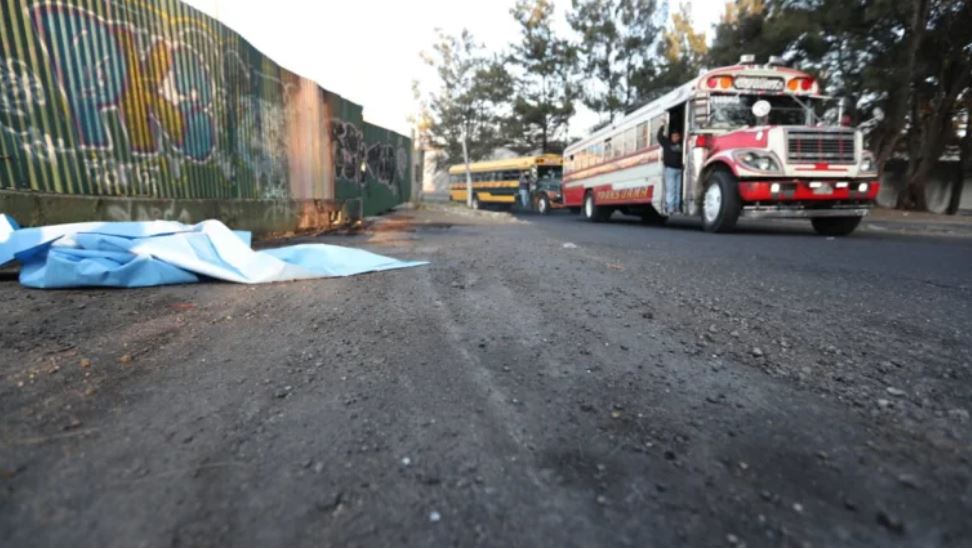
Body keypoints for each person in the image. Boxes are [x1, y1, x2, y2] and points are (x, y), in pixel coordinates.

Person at [657, 125, 683, 215]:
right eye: (674, 136)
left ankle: (676, 208)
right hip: (670, 169)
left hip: (679, 170)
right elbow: (659, 137)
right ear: (671, 137)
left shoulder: (681, 145)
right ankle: (670, 208)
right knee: (671, 189)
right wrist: (662, 127)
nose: (675, 138)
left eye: (677, 136)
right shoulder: (667, 143)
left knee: (678, 190)